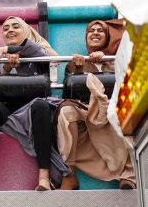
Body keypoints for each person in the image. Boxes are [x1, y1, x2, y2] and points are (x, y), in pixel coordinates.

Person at [0, 16, 69, 192]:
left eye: (15, 26)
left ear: (25, 31)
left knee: (41, 106)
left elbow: (39, 53)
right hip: (8, 107)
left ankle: (44, 177)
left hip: (33, 107)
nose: (10, 30)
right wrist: (5, 69)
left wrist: (2, 49)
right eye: (5, 28)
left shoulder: (37, 51)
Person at [56, 19, 136, 190]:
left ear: (107, 37)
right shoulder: (76, 62)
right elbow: (69, 95)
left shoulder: (118, 60)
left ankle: (128, 176)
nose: (96, 33)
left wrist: (106, 61)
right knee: (65, 111)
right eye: (92, 30)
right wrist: (78, 70)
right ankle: (69, 174)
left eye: (101, 31)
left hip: (114, 109)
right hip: (87, 111)